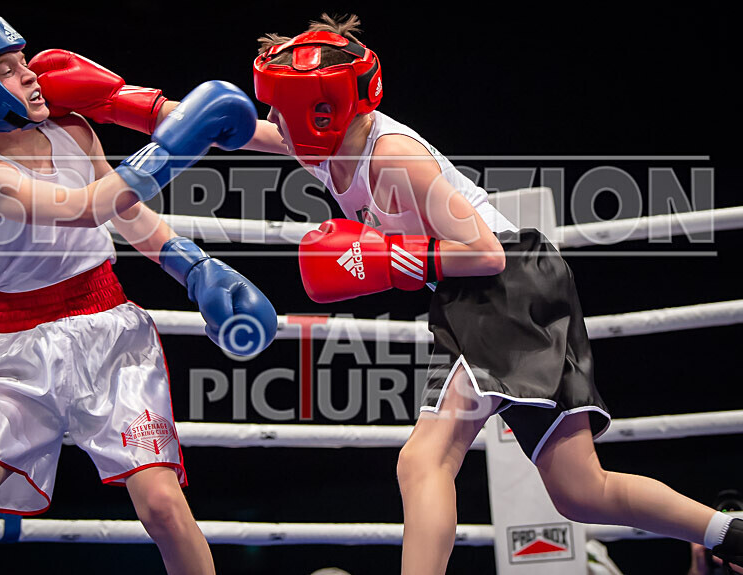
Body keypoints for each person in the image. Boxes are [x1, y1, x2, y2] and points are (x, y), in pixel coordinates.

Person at [245, 13, 743, 575]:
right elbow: (254, 133)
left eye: (279, 110)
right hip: (518, 287)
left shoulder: (394, 157)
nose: (271, 121)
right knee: (580, 489)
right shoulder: (334, 145)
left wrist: (394, 260)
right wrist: (148, 111)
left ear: (320, 115)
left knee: (424, 460)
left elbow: (486, 252)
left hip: (497, 284)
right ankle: (732, 534)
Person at [0, 15, 277, 574]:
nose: (30, 76)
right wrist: (172, 146)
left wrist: (194, 268)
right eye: (7, 69)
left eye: (23, 62)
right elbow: (82, 209)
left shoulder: (73, 131)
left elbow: (126, 212)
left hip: (112, 333)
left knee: (164, 505)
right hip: (23, 352)